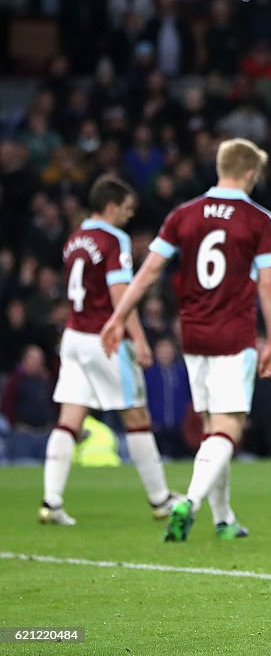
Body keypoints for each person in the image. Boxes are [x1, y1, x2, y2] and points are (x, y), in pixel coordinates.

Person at [100, 138, 271, 542]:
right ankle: (191, 503)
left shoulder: (184, 214)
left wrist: (118, 317)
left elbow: (148, 271)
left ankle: (223, 518)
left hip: (194, 334)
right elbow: (268, 283)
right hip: (234, 334)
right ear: (250, 173)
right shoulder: (258, 219)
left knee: (210, 427)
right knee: (228, 428)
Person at [43, 175, 176, 526]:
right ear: (112, 206)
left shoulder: (75, 239)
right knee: (137, 417)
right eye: (128, 209)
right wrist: (140, 339)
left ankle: (51, 501)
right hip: (105, 339)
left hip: (73, 336)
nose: (130, 216)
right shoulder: (114, 240)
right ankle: (160, 499)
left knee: (69, 420)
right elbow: (120, 296)